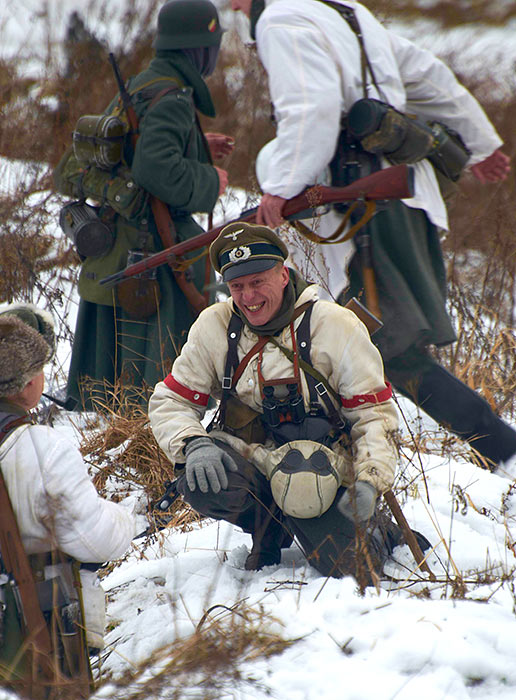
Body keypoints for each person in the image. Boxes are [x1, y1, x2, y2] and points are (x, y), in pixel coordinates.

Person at [230, 0, 516, 470]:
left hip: (363, 209)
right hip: (395, 200)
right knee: (362, 346)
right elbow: (430, 78)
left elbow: (313, 106)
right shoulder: (344, 12)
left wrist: (280, 187)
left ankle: (503, 450)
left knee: (385, 350)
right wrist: (480, 141)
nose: (233, 6)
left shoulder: (282, 19)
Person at [149, 222, 403, 581]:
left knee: (351, 568)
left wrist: (369, 480)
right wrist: (193, 444)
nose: (248, 297)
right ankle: (269, 530)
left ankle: (380, 531)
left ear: (283, 275)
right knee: (200, 481)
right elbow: (172, 400)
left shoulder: (335, 325)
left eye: (258, 282)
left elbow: (373, 415)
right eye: (237, 286)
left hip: (323, 473)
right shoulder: (214, 326)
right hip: (254, 462)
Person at [63, 0, 234, 409]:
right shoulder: (172, 97)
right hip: (155, 244)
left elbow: (132, 149)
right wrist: (210, 179)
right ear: (200, 49)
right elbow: (155, 170)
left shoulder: (144, 84)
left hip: (122, 239)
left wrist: (196, 146)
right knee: (165, 376)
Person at [0, 304, 136, 679]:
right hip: (33, 630)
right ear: (29, 382)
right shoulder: (43, 449)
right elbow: (95, 540)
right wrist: (126, 520)